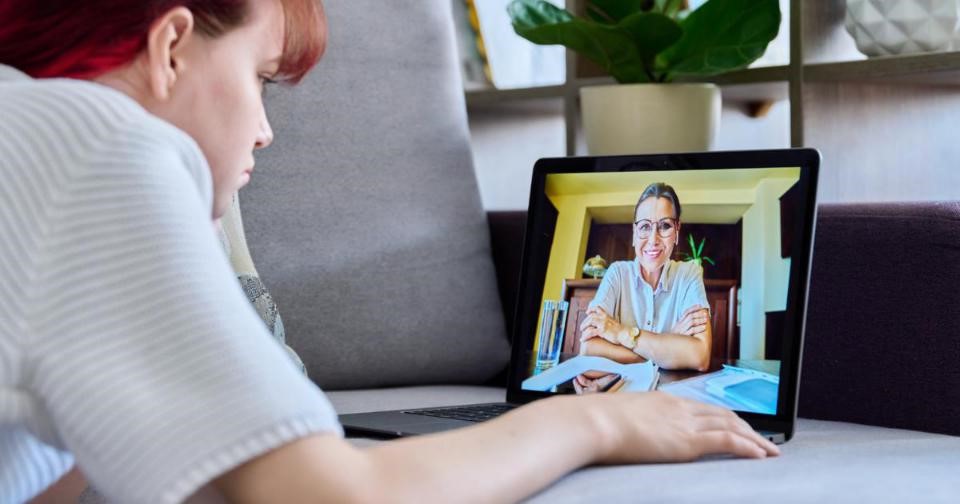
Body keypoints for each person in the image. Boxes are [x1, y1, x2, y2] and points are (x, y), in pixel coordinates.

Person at [0, 1, 779, 502]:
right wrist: (601, 428)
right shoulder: (99, 144)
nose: (265, 130)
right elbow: (333, 499)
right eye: (262, 79)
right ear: (171, 45)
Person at [576, 183, 713, 393]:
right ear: (634, 232)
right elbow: (588, 350)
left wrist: (621, 333)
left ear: (677, 230)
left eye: (665, 226)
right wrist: (669, 341)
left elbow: (700, 356)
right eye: (645, 226)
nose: (653, 239)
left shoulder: (689, 274)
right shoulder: (617, 273)